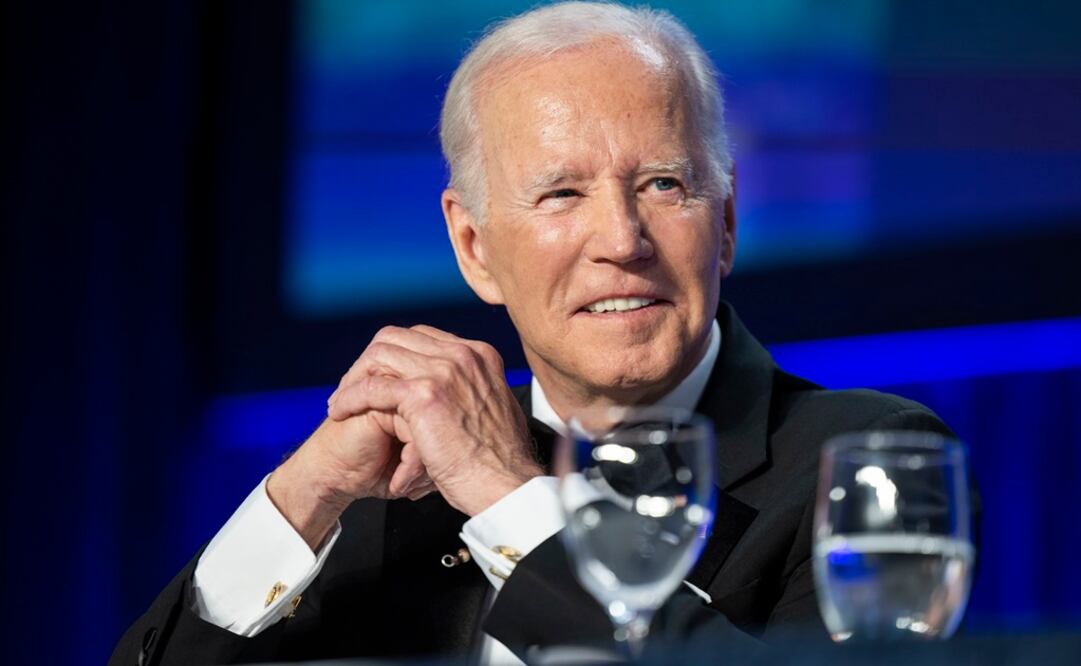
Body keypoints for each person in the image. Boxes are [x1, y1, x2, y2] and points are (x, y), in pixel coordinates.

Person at [111, 2, 952, 664]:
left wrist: (505, 493)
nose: (621, 239)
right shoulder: (387, 498)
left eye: (662, 184)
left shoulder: (866, 458)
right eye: (560, 195)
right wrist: (299, 501)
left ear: (724, 223)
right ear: (473, 247)